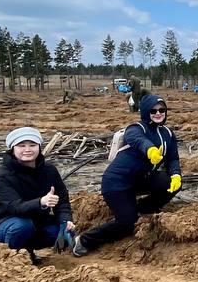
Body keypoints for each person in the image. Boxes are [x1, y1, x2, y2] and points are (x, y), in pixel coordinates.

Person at [76, 94, 181, 256]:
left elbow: (173, 157)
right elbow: (136, 139)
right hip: (117, 183)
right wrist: (150, 149)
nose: (158, 113)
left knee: (169, 182)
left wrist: (176, 175)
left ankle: (144, 209)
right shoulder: (136, 128)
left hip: (140, 180)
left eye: (162, 110)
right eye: (153, 110)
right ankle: (84, 240)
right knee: (128, 223)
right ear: (146, 111)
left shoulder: (168, 133)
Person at [0, 127, 75, 258]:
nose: (28, 150)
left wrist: (65, 220)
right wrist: (41, 202)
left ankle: (27, 251)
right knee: (22, 226)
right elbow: (15, 207)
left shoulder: (49, 171)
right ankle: (11, 257)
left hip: (34, 222)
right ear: (13, 149)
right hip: (1, 223)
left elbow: (62, 199)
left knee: (58, 230)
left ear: (39, 147)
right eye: (21, 145)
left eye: (32, 145)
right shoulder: (3, 175)